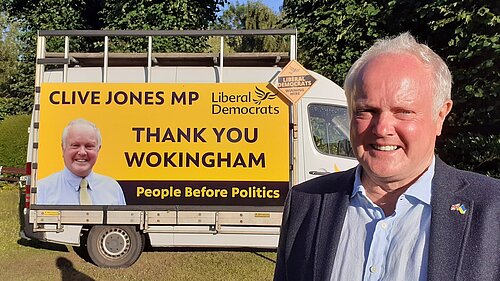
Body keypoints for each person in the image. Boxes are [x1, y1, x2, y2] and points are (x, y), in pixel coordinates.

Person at [274, 33, 500, 281]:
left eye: (403, 112)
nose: (382, 129)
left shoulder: (491, 209)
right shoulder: (306, 202)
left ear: (440, 116)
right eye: (366, 111)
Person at [37, 118, 126, 205]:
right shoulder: (42, 190)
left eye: (89, 146)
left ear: (98, 149)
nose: (82, 152)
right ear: (63, 148)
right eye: (75, 145)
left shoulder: (113, 189)